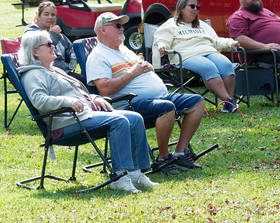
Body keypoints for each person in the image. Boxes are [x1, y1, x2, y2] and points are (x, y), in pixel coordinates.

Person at [18, 30, 155, 193]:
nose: (53, 46)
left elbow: (76, 93)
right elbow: (39, 100)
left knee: (135, 118)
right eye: (48, 44)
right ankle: (119, 177)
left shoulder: (53, 70)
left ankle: (136, 174)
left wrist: (94, 98)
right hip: (65, 123)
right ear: (35, 51)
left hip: (83, 115)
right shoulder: (33, 74)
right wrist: (67, 101)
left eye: (52, 43)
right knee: (119, 121)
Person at [86, 12, 206, 175]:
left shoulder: (123, 50)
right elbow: (105, 89)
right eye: (117, 26)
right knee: (167, 107)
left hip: (157, 97)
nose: (123, 29)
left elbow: (136, 69)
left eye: (122, 25)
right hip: (128, 104)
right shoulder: (98, 56)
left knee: (197, 102)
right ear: (103, 30)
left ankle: (179, 153)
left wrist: (147, 68)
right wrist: (133, 73)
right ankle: (163, 158)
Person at [153, 0, 239, 113]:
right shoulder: (171, 24)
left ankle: (227, 104)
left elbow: (216, 40)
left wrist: (230, 43)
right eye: (192, 6)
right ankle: (230, 102)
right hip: (187, 55)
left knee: (227, 65)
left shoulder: (202, 25)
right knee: (208, 67)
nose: (195, 9)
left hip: (209, 51)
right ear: (181, 8)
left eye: (197, 7)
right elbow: (161, 40)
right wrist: (162, 45)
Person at [24, 1, 85, 85]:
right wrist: (53, 35)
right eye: (46, 14)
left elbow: (67, 54)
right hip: (45, 75)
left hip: (63, 73)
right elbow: (38, 49)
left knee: (87, 79)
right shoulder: (31, 32)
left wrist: (71, 53)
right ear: (38, 16)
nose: (50, 17)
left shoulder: (58, 34)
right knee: (82, 81)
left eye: (53, 15)